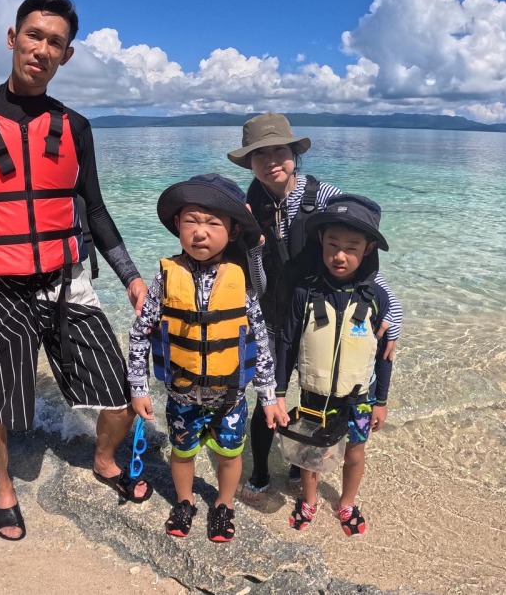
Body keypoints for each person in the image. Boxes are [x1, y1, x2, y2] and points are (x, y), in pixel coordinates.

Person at [0, 0, 150, 542]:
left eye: (55, 42)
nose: (42, 49)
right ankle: (4, 490)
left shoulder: (76, 127)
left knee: (120, 396)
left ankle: (104, 461)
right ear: (12, 37)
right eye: (34, 36)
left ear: (66, 56)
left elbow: (93, 209)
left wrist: (133, 277)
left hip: (67, 283)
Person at [227, 113, 402, 504]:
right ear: (249, 163)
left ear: (295, 154)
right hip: (271, 317)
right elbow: (245, 270)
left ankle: (297, 466)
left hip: (317, 317)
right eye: (259, 156)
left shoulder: (325, 198)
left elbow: (361, 257)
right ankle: (258, 470)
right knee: (267, 397)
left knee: (312, 395)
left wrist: (393, 314)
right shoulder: (247, 205)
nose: (271, 161)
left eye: (279, 151)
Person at [127, 174, 282, 542]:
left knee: (230, 456)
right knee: (182, 454)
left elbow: (259, 338)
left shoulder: (240, 279)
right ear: (177, 225)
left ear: (231, 231)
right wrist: (138, 387)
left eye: (213, 223)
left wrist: (270, 396)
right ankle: (184, 501)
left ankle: (223, 504)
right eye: (192, 221)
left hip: (229, 398)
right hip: (182, 395)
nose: (201, 232)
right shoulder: (166, 278)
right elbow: (140, 333)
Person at [275, 194, 395, 534]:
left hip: (358, 397)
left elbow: (385, 354)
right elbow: (286, 343)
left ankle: (346, 503)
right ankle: (309, 500)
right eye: (332, 245)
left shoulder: (376, 298)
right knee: (313, 452)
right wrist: (280, 393)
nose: (339, 255)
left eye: (351, 247)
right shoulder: (305, 292)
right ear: (320, 241)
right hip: (314, 395)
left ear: (368, 248)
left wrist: (381, 401)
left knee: (355, 453)